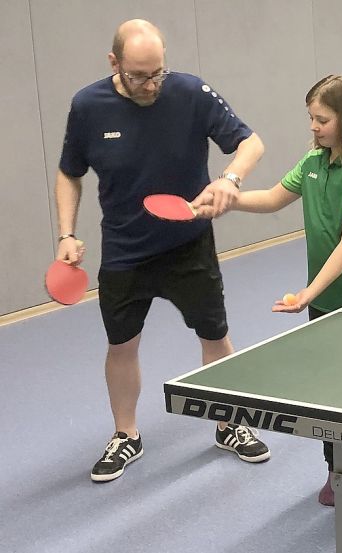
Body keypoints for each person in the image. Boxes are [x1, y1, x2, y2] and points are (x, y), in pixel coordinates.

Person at [54, 19, 269, 482]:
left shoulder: (190, 92)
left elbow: (250, 142)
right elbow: (70, 171)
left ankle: (229, 422)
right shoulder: (88, 106)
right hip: (125, 251)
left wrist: (230, 179)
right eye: (138, 76)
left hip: (188, 244)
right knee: (121, 345)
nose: (151, 85)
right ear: (114, 63)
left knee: (215, 336)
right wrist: (66, 233)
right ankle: (126, 435)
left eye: (158, 73)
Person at [197, 75, 342, 507]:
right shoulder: (312, 163)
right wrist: (225, 197)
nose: (313, 126)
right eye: (311, 118)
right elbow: (270, 198)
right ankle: (337, 470)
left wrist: (307, 292)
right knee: (328, 390)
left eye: (321, 119)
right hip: (323, 301)